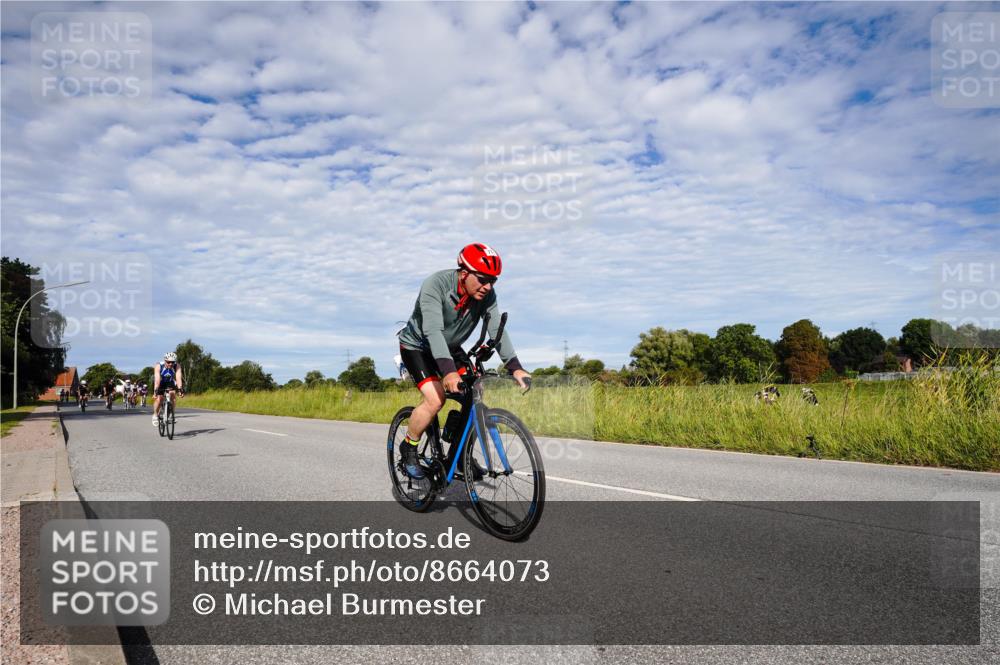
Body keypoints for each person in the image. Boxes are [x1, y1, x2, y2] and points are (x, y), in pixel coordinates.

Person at [396, 243, 530, 479]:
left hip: (449, 347)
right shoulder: (435, 284)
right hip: (418, 346)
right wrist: (448, 372)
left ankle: (460, 456)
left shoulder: (487, 295)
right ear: (464, 273)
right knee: (435, 399)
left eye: (493, 281)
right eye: (483, 279)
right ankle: (409, 446)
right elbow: (433, 331)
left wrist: (515, 367)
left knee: (474, 392)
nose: (488, 287)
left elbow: (496, 329)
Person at [153, 352, 184, 425]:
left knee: (172, 395)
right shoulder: (159, 365)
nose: (170, 364)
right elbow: (157, 379)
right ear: (165, 361)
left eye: (172, 362)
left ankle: (170, 415)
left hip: (170, 382)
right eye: (168, 362)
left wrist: (180, 389)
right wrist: (155, 391)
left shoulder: (177, 366)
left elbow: (178, 378)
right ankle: (155, 415)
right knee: (159, 399)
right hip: (160, 382)